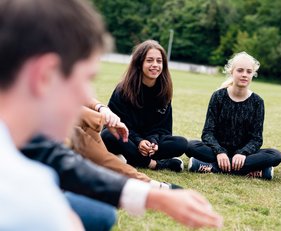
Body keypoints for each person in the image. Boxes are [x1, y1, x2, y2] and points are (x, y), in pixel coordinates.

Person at [0, 0, 223, 230]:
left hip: (137, 152)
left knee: (102, 214)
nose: (89, 96)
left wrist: (152, 195)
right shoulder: (24, 205)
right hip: (125, 145)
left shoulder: (24, 140)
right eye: (85, 80)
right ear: (44, 76)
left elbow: (57, 159)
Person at [186, 52, 281, 179]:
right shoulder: (218, 96)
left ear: (253, 74)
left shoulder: (257, 102)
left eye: (249, 72)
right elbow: (208, 133)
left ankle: (211, 167)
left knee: (275, 155)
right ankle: (253, 172)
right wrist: (220, 152)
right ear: (232, 72)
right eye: (240, 70)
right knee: (189, 146)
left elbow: (256, 139)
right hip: (217, 152)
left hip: (245, 156)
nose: (244, 75)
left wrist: (242, 153)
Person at [102, 40, 188, 172]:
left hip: (148, 143)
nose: (155, 65)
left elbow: (164, 130)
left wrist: (152, 142)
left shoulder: (164, 92)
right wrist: (138, 141)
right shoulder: (123, 90)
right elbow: (115, 125)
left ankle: (131, 158)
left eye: (159, 61)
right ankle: (155, 164)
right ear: (139, 63)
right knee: (108, 135)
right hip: (127, 138)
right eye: (149, 60)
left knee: (181, 143)